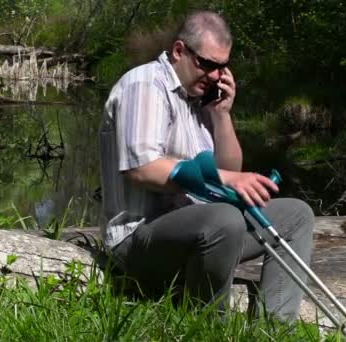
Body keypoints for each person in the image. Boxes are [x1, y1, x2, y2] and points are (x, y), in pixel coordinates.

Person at [99, 10, 314, 321]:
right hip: (137, 238)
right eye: (208, 64)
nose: (215, 75)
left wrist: (221, 115)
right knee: (225, 219)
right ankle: (209, 325)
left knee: (296, 216)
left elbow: (228, 167)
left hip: (201, 229)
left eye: (222, 67)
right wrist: (225, 179)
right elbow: (142, 169)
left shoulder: (197, 99)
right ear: (179, 51)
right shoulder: (145, 85)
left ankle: (276, 327)